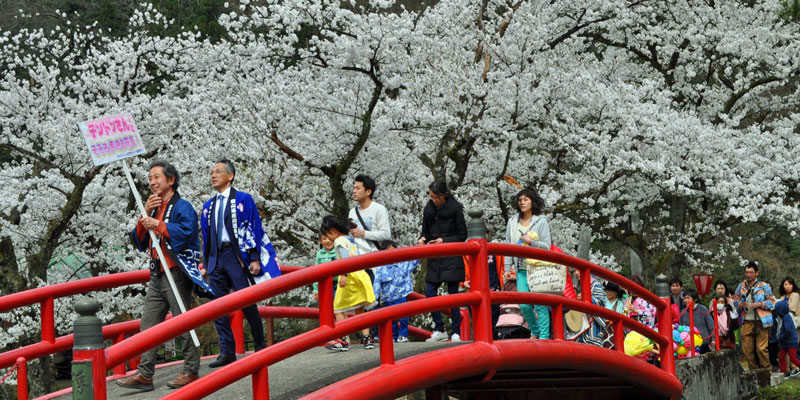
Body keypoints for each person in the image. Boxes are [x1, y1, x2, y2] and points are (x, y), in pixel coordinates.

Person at [117, 160, 209, 391]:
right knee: (148, 325)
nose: (152, 182)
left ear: (171, 180)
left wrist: (158, 223)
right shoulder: (153, 206)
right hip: (157, 273)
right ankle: (145, 373)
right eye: (150, 178)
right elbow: (138, 240)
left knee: (181, 322)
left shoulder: (182, 206)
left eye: (156, 177)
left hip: (175, 272)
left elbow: (187, 233)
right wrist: (146, 213)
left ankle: (190, 369)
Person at [200, 159, 281, 368]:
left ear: (231, 175)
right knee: (217, 306)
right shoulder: (208, 206)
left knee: (246, 301)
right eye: (211, 172)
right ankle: (226, 351)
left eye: (218, 171)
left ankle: (260, 344)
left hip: (236, 257)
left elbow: (255, 228)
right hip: (216, 258)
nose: (213, 175)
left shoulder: (244, 199)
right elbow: (207, 237)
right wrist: (206, 263)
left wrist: (254, 257)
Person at [418, 180, 468, 342]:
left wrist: (443, 241)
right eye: (431, 197)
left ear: (444, 195)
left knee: (453, 295)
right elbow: (424, 232)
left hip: (451, 256)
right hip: (435, 257)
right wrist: (422, 239)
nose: (434, 200)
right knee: (430, 293)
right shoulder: (429, 211)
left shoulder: (455, 211)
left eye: (436, 197)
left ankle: (456, 331)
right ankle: (439, 328)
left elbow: (462, 235)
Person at [321, 215, 376, 351]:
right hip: (360, 275)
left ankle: (343, 339)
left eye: (328, 235)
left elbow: (344, 260)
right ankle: (367, 338)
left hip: (348, 276)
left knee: (338, 308)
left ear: (333, 231)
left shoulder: (339, 241)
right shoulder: (350, 238)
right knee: (359, 308)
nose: (328, 239)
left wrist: (342, 275)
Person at [502, 186, 551, 339]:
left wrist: (531, 242)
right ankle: (534, 330)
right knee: (524, 305)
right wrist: (507, 268)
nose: (522, 202)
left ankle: (543, 336)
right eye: (520, 200)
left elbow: (547, 246)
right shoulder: (512, 222)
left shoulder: (541, 222)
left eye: (526, 199)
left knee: (540, 305)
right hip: (520, 269)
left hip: (536, 268)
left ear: (533, 201)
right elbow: (509, 246)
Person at [372, 241, 420, 342]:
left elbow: (415, 260)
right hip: (388, 298)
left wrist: (421, 247)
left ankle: (403, 335)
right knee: (391, 319)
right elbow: (377, 283)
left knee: (404, 317)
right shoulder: (381, 268)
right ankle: (393, 336)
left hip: (402, 295)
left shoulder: (403, 263)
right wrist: (374, 298)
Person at [734, 261, 776, 370]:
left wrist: (760, 304)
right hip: (747, 319)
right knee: (746, 348)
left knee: (761, 349)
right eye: (747, 272)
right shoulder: (741, 286)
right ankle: (754, 371)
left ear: (756, 273)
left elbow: (772, 302)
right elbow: (735, 301)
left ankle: (766, 371)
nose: (748, 275)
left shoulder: (764, 286)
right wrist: (740, 304)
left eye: (751, 272)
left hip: (762, 320)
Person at [679, 289, 714, 353]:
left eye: (688, 298)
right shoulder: (683, 312)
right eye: (685, 298)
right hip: (689, 345)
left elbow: (711, 325)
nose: (686, 300)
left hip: (704, 343)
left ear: (695, 299)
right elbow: (681, 327)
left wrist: (713, 339)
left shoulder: (703, 309)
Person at [775, 300, 800, 377]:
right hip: (786, 342)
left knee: (793, 358)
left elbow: (788, 330)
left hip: (791, 341)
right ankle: (784, 372)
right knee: (781, 356)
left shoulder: (787, 318)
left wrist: (781, 337)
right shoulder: (783, 317)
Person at [312, 233, 337, 299]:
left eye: (330, 238)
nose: (328, 241)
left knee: (339, 306)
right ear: (321, 241)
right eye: (324, 239)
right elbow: (316, 272)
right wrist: (316, 289)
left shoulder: (338, 251)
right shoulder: (320, 254)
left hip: (339, 283)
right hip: (325, 284)